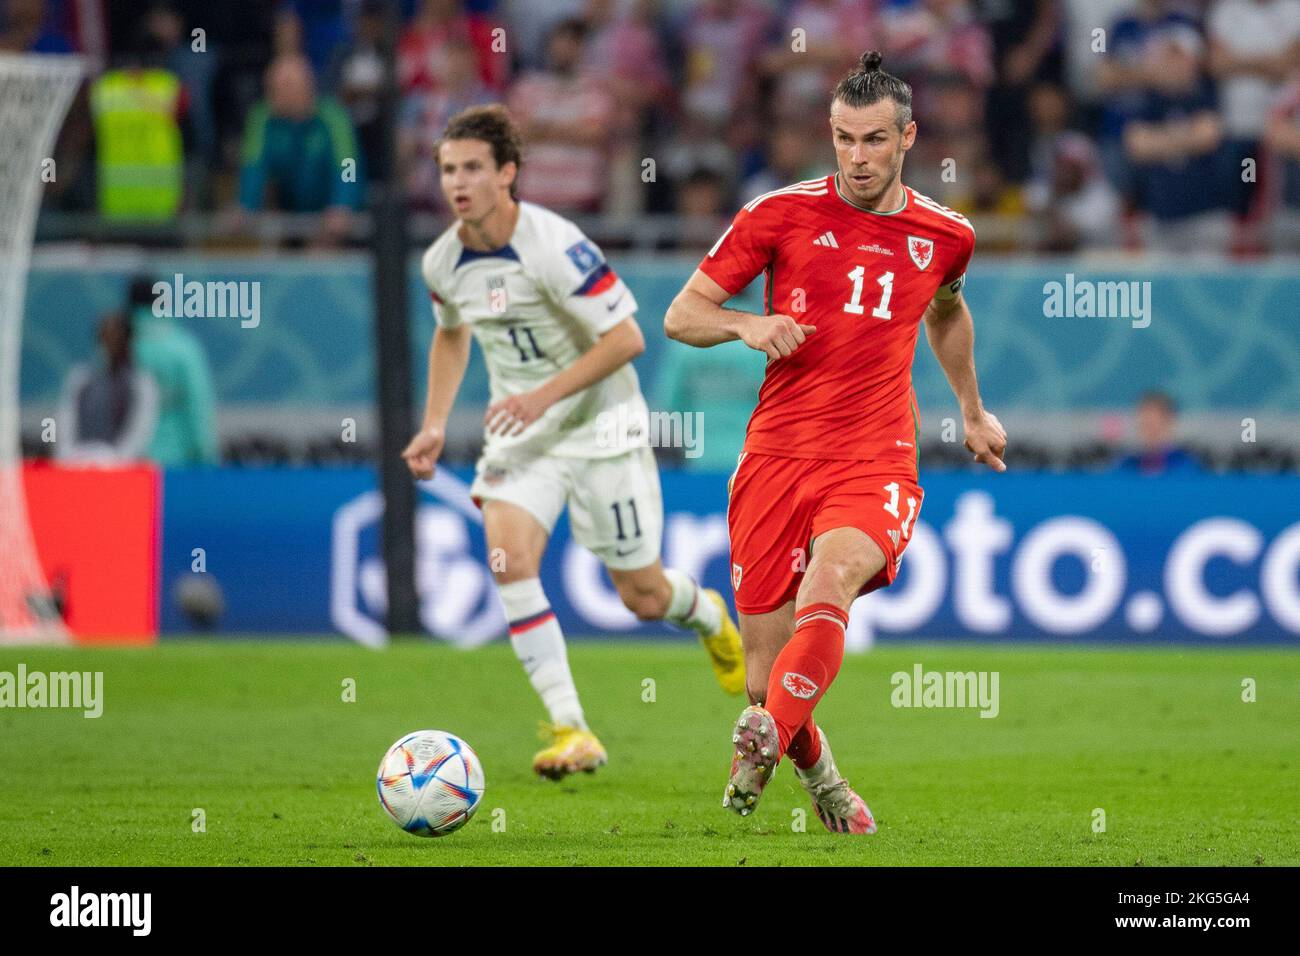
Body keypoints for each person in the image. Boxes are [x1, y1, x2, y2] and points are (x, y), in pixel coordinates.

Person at [664, 52, 1006, 834]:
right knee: (764, 679)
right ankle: (820, 777)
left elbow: (947, 313)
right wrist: (750, 324)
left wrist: (973, 410)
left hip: (876, 455)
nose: (857, 157)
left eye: (875, 140)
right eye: (845, 139)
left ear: (908, 137)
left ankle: (764, 740)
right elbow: (682, 314)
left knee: (835, 579)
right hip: (775, 457)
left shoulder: (946, 235)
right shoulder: (776, 215)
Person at [401, 105, 745, 781]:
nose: (458, 183)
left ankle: (707, 616)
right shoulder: (443, 261)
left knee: (642, 596)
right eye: (447, 169)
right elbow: (451, 333)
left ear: (508, 174)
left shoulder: (554, 246)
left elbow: (627, 339)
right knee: (508, 560)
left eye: (472, 167)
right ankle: (572, 727)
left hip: (602, 429)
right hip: (524, 439)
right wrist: (436, 421)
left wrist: (541, 396)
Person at [126, 277, 220, 467]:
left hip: (129, 463)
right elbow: (197, 406)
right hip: (178, 461)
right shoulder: (184, 349)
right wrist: (206, 457)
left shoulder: (120, 349)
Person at [56, 313, 158, 464]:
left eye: (116, 338)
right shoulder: (81, 379)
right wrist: (68, 458)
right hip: (78, 465)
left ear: (127, 341)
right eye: (105, 337)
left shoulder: (141, 384)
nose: (110, 344)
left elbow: (140, 430)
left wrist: (115, 461)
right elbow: (65, 421)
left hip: (121, 470)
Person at [1112, 391, 1201, 475]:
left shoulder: (1186, 465)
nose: (1150, 431)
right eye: (1146, 424)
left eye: (1155, 424)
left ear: (1170, 422)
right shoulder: (1128, 465)